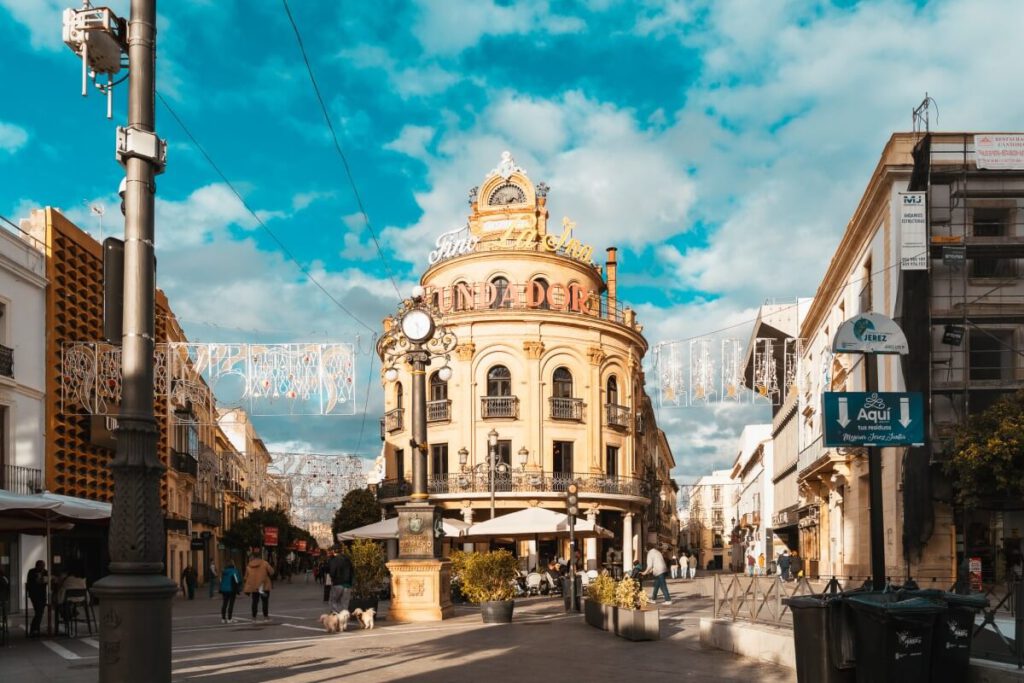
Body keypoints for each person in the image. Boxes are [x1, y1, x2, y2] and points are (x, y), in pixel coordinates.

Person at [243, 549, 274, 620]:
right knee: (265, 601)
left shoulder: (249, 565)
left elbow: (245, 577)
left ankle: (254, 616)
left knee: (254, 601)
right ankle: (265, 616)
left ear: (253, 556)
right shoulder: (265, 563)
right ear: (260, 555)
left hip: (254, 586)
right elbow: (272, 572)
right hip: (264, 586)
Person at [327, 548, 354, 614]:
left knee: (334, 601)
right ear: (341, 551)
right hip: (347, 584)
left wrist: (332, 578)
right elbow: (352, 571)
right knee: (345, 603)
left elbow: (332, 571)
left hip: (337, 583)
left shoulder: (334, 560)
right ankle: (343, 619)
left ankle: (335, 616)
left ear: (333, 551)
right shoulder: (348, 559)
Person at [26, 560, 47, 637]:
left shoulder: (45, 572)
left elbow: (47, 580)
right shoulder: (32, 572)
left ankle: (35, 629)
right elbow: (29, 582)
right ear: (37, 566)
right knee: (39, 611)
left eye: (43, 566)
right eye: (41, 566)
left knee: (39, 612)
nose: (42, 567)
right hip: (34, 594)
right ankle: (34, 629)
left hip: (42, 594)